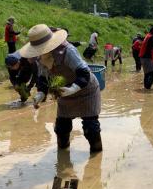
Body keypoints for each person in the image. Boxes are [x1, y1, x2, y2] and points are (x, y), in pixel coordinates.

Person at [19, 24, 102, 153]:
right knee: (61, 128)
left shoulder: (68, 51)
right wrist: (41, 93)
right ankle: (63, 156)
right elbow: (42, 77)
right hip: (64, 93)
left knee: (90, 128)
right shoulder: (41, 57)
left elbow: (84, 72)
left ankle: (96, 158)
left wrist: (73, 88)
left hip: (86, 90)